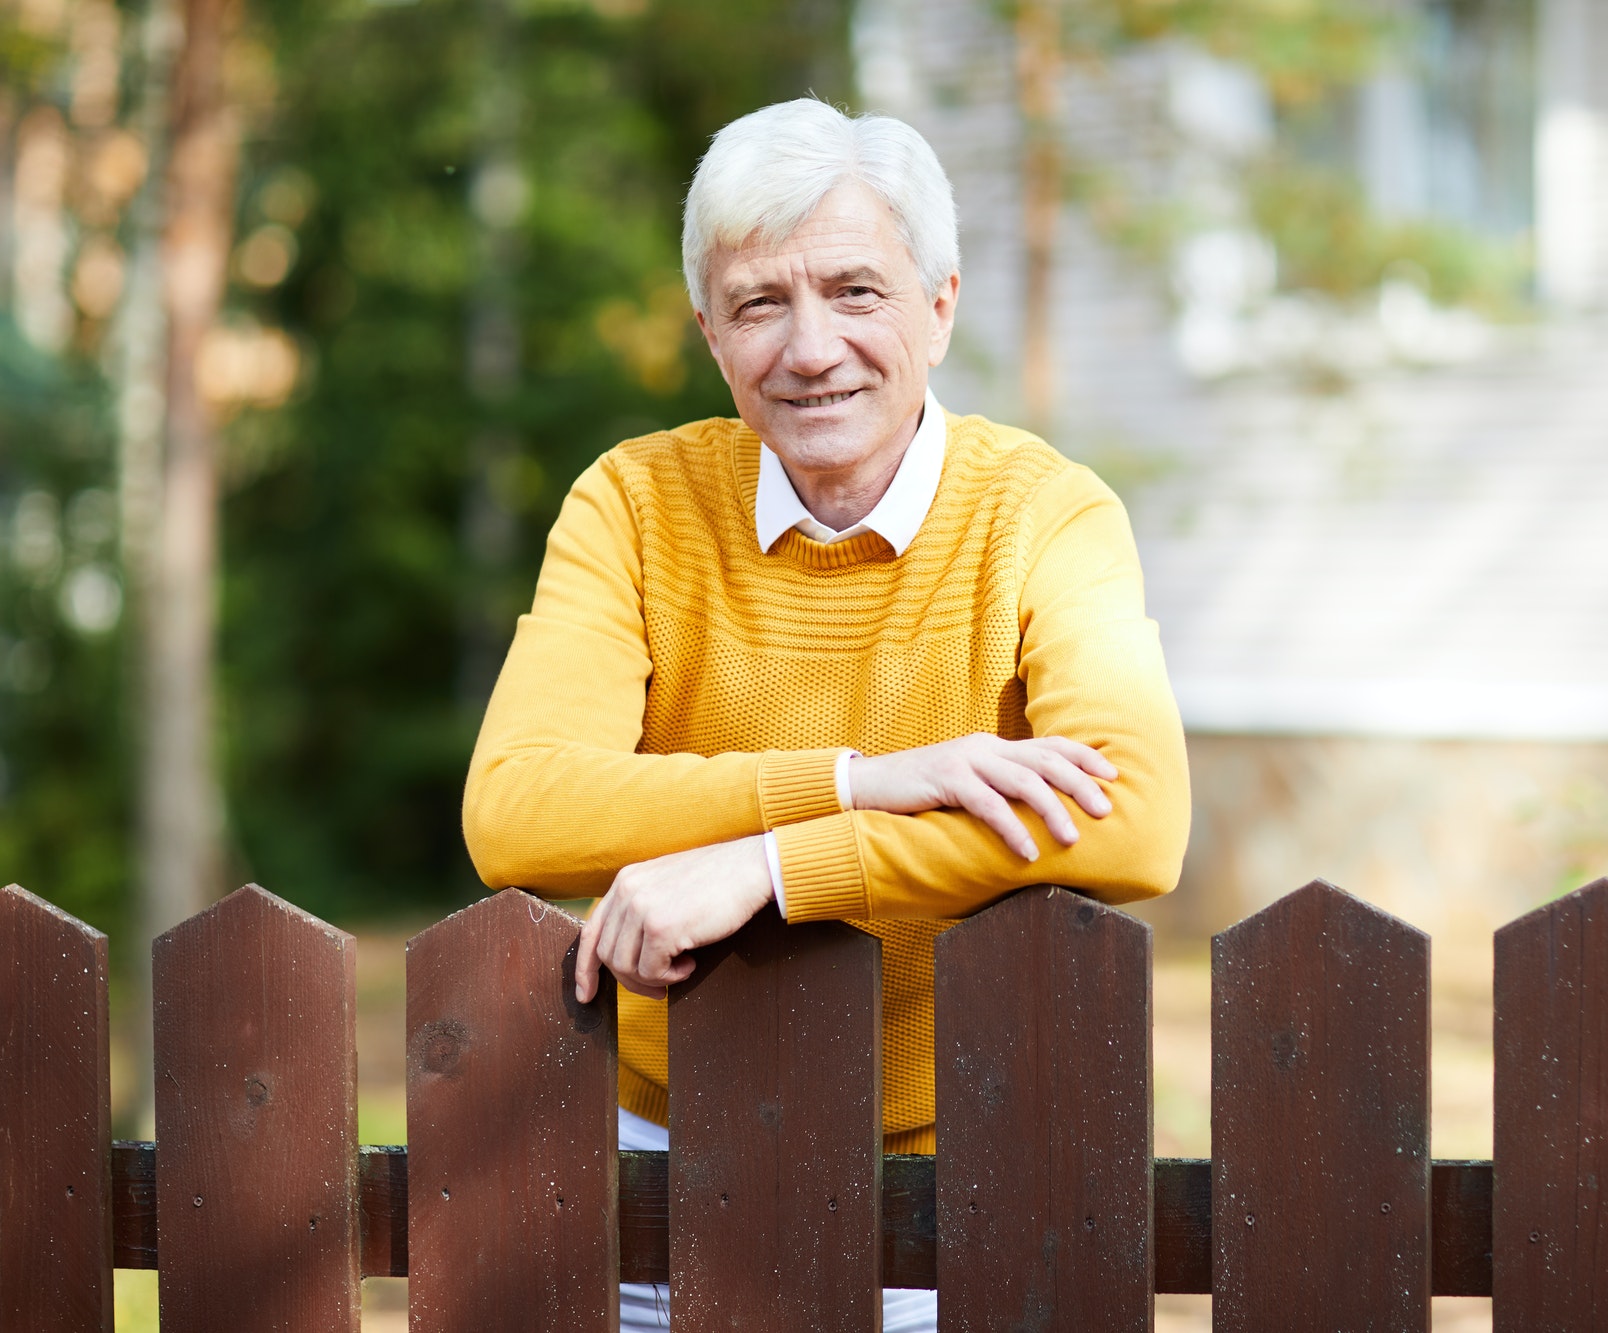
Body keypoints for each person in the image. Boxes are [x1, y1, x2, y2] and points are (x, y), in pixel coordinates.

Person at [462, 96, 1190, 1332]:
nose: (808, 350)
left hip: (949, 1180)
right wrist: (861, 779)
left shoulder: (1043, 515)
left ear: (939, 308)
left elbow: (1130, 824)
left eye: (854, 292)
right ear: (708, 331)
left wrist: (773, 863)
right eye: (758, 303)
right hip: (656, 1165)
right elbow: (519, 807)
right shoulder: (631, 505)